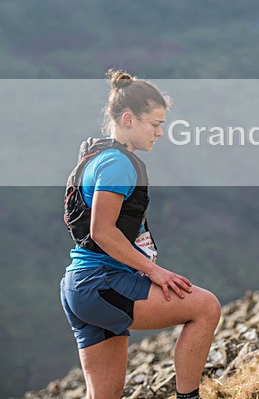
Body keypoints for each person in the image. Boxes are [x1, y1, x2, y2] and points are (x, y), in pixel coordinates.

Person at [60, 70, 221, 399]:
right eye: (155, 123)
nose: (161, 132)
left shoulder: (97, 156)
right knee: (205, 307)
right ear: (129, 119)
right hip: (101, 283)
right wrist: (154, 272)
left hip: (80, 285)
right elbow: (102, 232)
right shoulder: (117, 164)